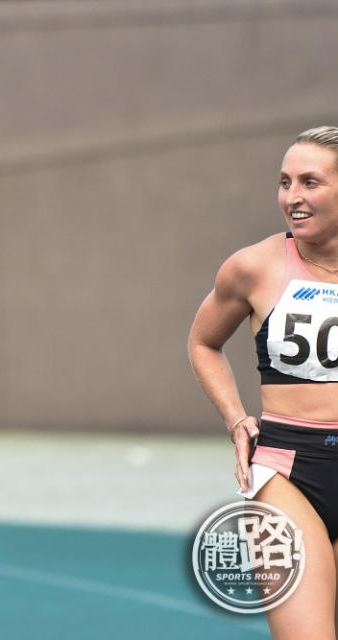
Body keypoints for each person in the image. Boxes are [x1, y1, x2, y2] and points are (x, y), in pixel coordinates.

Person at [189, 126, 338, 638]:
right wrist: (235, 419)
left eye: (310, 182)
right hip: (285, 470)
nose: (293, 197)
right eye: (285, 182)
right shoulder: (255, 266)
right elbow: (203, 343)